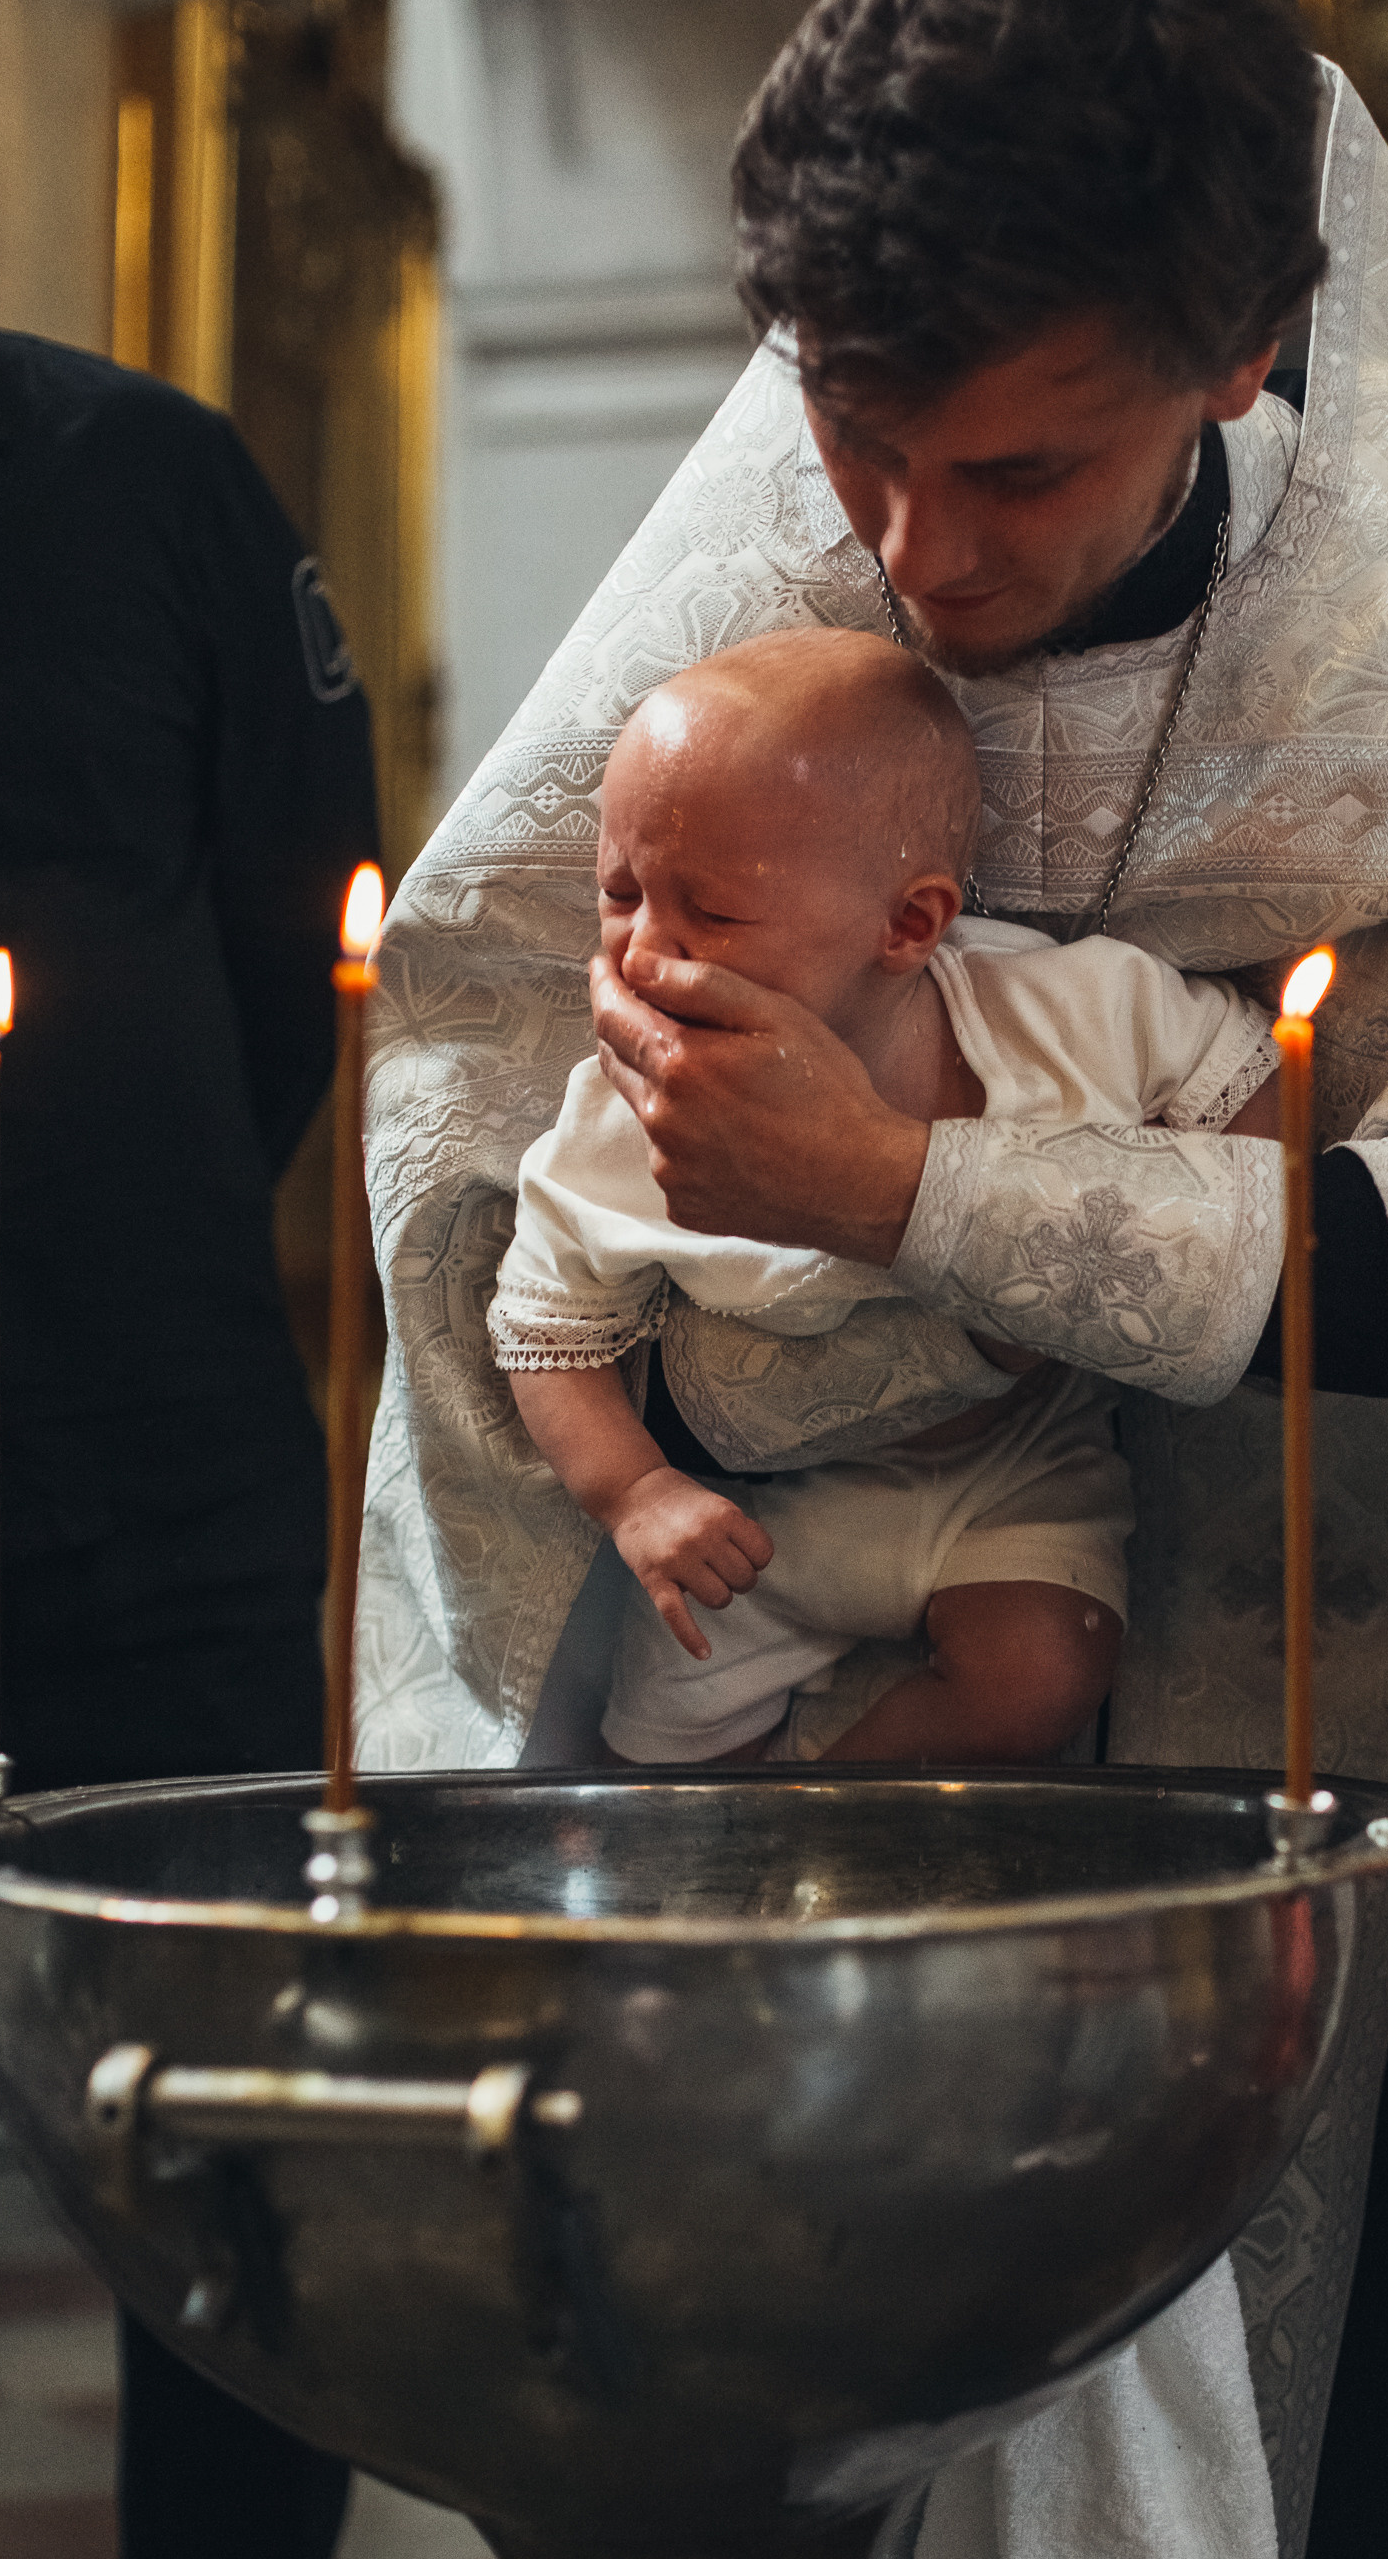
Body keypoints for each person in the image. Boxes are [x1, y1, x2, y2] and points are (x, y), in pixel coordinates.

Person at [359, 0, 1388, 2559]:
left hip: (1323, 1691)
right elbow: (482, 1130)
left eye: (1016, 466)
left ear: (1244, 351)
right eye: (851, 442)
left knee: (1323, 2503)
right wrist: (668, 1321)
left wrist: (923, 1189)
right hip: (830, 1724)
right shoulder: (762, 591)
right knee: (820, 2508)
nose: (914, 551)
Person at [0, 313, 434, 2559]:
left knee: (247, 2133)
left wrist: (95, 1239)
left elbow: (291, 950)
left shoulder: (134, 472)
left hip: (141, 1465)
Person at [492, 625, 1283, 1767]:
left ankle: (829, 1808)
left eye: (711, 913)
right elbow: (545, 1330)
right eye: (621, 894)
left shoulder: (1060, 1012)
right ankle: (737, 1844)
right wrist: (636, 1495)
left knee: (1040, 1675)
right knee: (656, 1771)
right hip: (761, 1516)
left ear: (907, 925)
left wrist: (1196, 1212)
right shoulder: (624, 1114)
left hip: (1011, 1476)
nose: (644, 955)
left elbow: (1241, 1072)